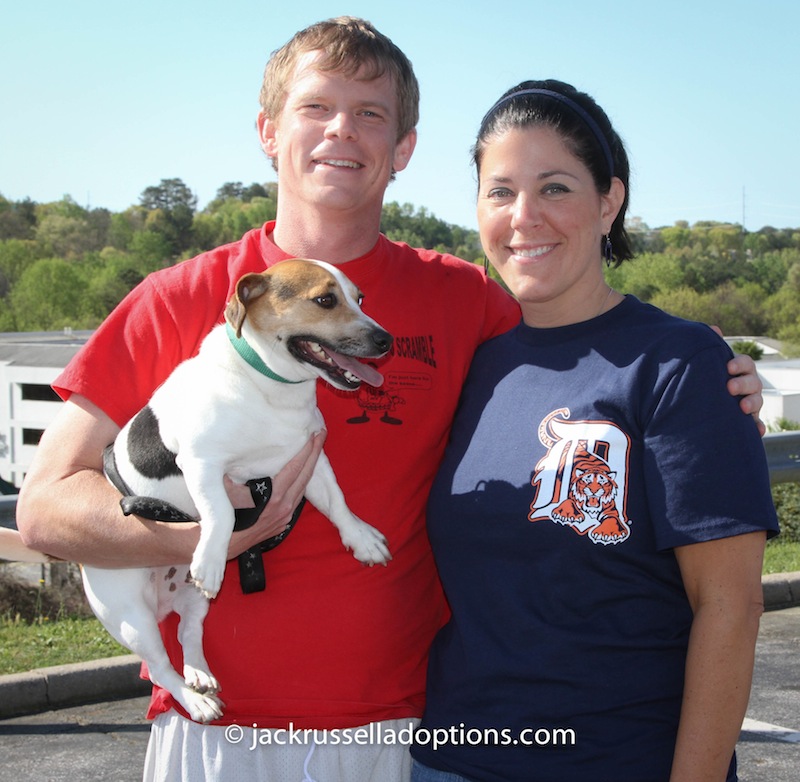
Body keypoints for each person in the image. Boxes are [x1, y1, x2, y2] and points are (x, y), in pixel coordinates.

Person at [15, 20, 764, 782]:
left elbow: (584, 342)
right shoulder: (180, 300)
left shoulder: (465, 299)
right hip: (216, 735)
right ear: (269, 131)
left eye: (371, 113)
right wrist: (207, 536)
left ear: (403, 148)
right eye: (316, 108)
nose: (343, 130)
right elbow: (45, 509)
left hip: (408, 736)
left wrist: (711, 363)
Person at [410, 80, 779, 782]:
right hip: (451, 763)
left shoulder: (679, 364)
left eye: (554, 188)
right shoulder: (467, 361)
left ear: (609, 200)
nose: (524, 217)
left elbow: (731, 605)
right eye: (500, 191)